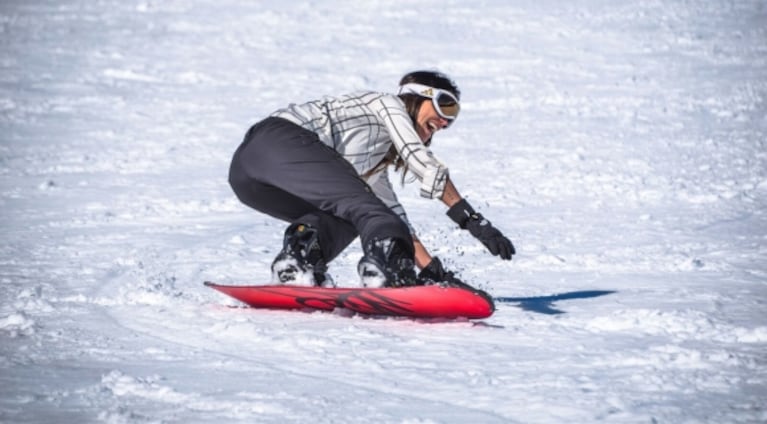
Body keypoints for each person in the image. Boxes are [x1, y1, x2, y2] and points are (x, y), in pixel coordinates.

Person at [228, 70, 515, 288]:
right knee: (369, 213)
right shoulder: (389, 104)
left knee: (358, 215)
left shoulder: (370, 162)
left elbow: (393, 218)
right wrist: (471, 220)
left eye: (451, 118)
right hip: (282, 140)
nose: (445, 121)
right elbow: (418, 158)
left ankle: (297, 262)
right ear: (418, 95)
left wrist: (433, 275)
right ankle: (387, 270)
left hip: (247, 174)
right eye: (445, 105)